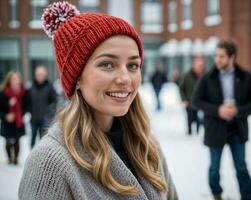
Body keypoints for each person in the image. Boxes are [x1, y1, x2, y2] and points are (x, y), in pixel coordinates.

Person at [19, 2, 178, 200]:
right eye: (107, 64)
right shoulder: (49, 163)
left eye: (133, 65)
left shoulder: (146, 145)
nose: (125, 78)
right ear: (76, 78)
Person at [192, 40, 251, 200]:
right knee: (214, 168)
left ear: (232, 57)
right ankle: (217, 194)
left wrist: (238, 111)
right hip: (215, 129)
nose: (217, 59)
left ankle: (248, 197)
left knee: (241, 167)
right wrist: (218, 110)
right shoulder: (207, 77)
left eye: (222, 56)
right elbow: (195, 101)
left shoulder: (245, 77)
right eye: (216, 55)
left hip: (238, 129)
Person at [0, 71, 30, 164]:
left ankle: (15, 159)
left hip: (18, 120)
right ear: (9, 80)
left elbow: (28, 106)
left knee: (17, 141)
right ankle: (9, 159)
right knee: (8, 142)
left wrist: (20, 114)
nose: (16, 80)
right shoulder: (3, 93)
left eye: (17, 78)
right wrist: (6, 116)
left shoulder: (24, 92)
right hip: (7, 122)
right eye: (14, 78)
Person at [29, 65, 57, 148]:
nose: (40, 76)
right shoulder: (31, 88)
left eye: (42, 74)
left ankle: (41, 154)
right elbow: (27, 102)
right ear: (35, 75)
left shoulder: (50, 87)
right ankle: (31, 152)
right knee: (33, 137)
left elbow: (54, 102)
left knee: (43, 139)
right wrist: (30, 111)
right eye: (38, 74)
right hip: (34, 118)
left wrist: (49, 114)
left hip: (45, 119)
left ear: (45, 75)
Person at [179, 55, 205, 135]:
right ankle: (190, 131)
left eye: (201, 66)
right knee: (190, 117)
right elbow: (181, 88)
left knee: (197, 117)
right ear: (194, 66)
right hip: (189, 101)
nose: (200, 68)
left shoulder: (204, 75)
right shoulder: (186, 75)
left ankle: (197, 131)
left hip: (199, 101)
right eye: (198, 66)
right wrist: (184, 99)